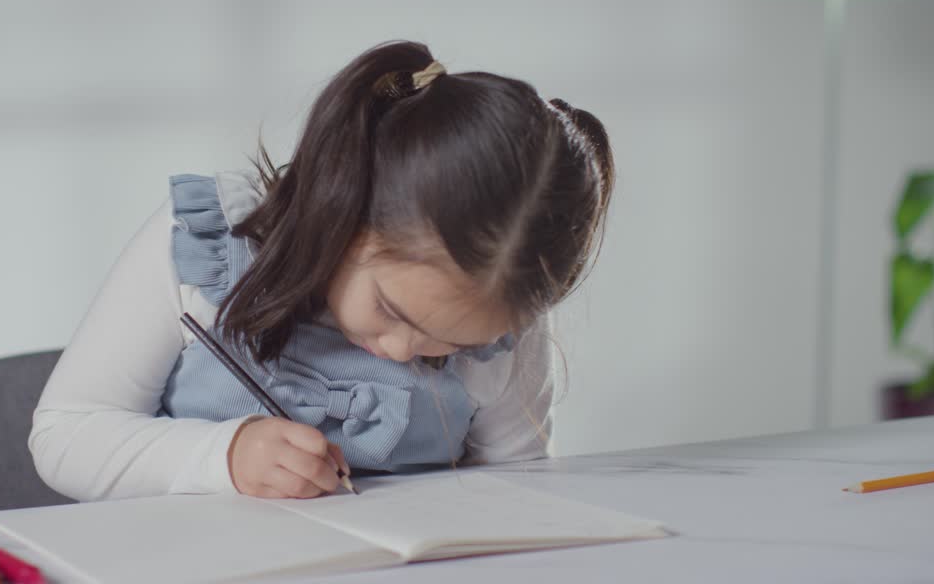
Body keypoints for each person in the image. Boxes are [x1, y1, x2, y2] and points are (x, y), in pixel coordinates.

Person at [30, 40, 614, 501]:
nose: (400, 350)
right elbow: (66, 436)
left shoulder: (499, 315)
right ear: (344, 209)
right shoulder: (208, 242)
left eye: (452, 342)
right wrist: (225, 456)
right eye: (389, 309)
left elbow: (519, 485)